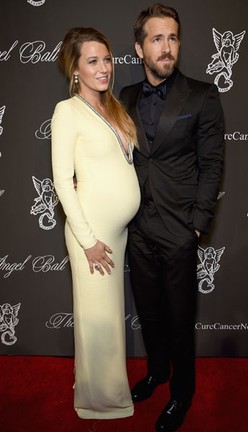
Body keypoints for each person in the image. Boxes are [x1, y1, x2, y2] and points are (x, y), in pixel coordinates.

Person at [120, 4, 224, 432]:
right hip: (136, 226)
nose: (167, 47)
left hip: (180, 228)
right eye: (157, 39)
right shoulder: (123, 97)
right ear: (140, 48)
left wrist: (197, 224)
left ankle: (182, 392)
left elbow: (212, 163)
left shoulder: (201, 94)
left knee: (180, 317)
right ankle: (157, 372)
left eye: (173, 38)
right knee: (149, 311)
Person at [51, 27, 140, 419]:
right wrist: (87, 239)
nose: (104, 68)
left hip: (116, 232)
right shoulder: (66, 111)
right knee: (98, 318)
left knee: (105, 314)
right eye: (92, 61)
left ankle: (98, 383)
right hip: (92, 234)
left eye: (107, 59)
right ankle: (100, 401)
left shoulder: (113, 107)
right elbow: (61, 181)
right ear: (75, 69)